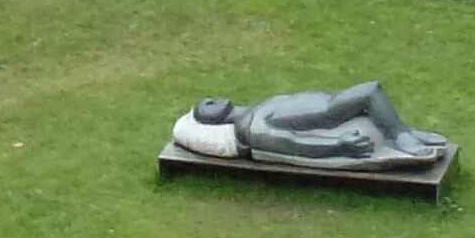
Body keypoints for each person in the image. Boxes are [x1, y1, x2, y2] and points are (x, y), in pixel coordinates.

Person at [168, 82, 450, 168]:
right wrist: (338, 146)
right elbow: (293, 143)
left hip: (332, 105)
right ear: (212, 123)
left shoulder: (255, 111)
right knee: (369, 91)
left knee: (370, 93)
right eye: (206, 107)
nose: (209, 97)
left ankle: (405, 132)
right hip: (332, 111)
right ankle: (402, 137)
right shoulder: (253, 128)